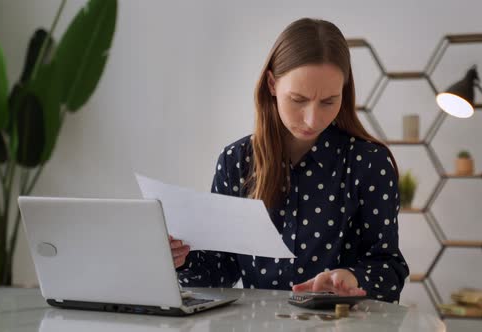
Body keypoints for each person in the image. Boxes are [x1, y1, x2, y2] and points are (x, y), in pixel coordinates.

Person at [169, 17, 409, 303]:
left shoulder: (368, 163)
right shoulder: (236, 162)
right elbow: (219, 271)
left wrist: (353, 277)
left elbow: (389, 268)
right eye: (298, 99)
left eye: (329, 101)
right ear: (272, 84)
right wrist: (179, 260)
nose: (312, 118)